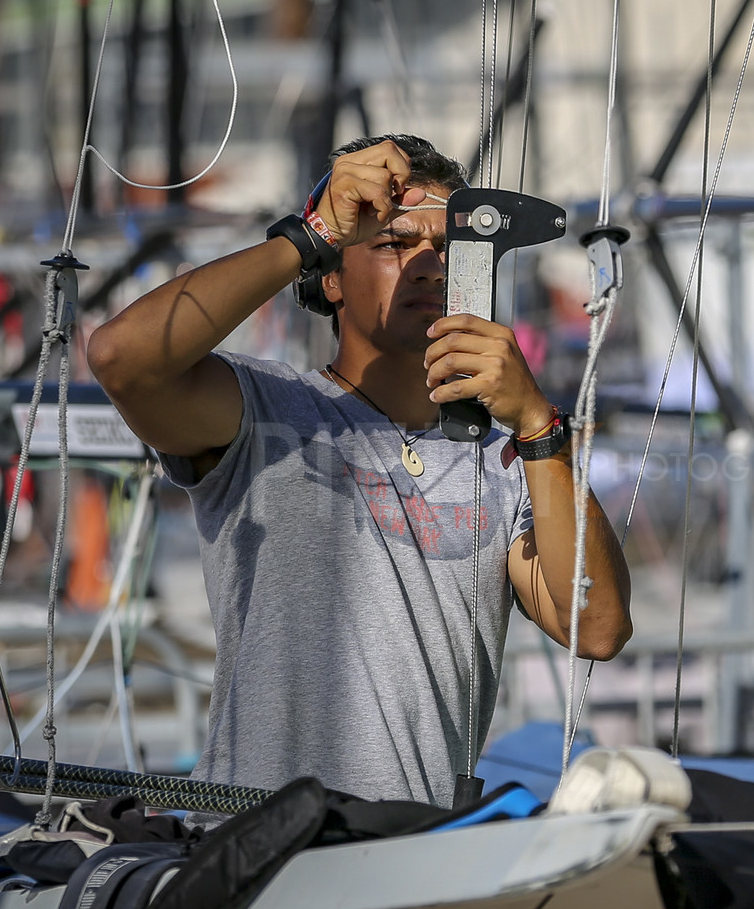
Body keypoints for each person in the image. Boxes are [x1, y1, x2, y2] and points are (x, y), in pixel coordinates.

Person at [88, 134, 631, 809]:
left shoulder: (512, 458)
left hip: (414, 853)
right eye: (394, 242)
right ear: (331, 277)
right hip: (254, 842)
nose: (429, 265)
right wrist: (310, 234)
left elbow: (597, 627)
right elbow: (120, 357)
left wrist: (539, 426)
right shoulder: (263, 407)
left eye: (452, 247)